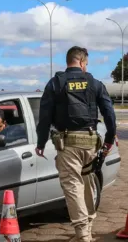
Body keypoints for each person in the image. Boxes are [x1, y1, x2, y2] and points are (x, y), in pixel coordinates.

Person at [35, 46, 116, 242]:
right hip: (91, 142)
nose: (86, 68)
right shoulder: (95, 84)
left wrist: (41, 142)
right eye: (86, 64)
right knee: (87, 183)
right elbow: (109, 113)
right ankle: (87, 226)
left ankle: (83, 235)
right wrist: (109, 140)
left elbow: (44, 117)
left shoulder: (55, 84)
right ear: (81, 62)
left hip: (68, 144)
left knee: (73, 186)